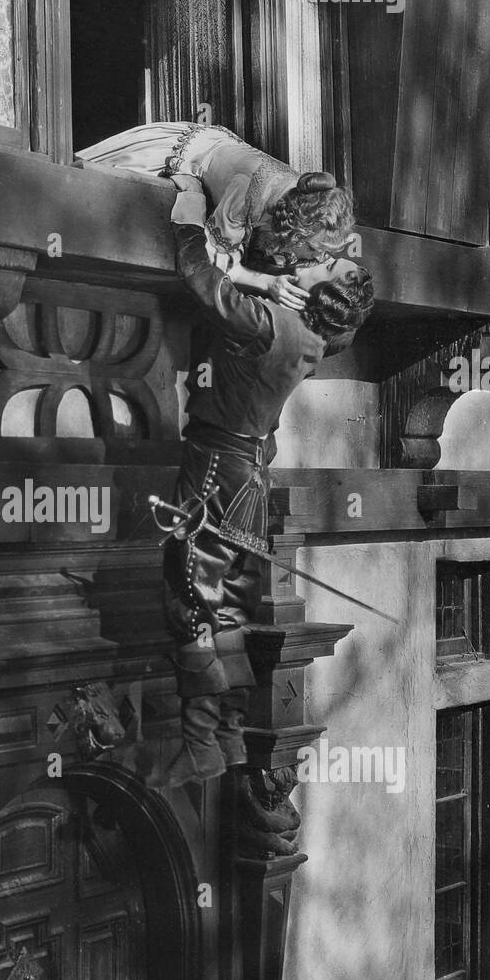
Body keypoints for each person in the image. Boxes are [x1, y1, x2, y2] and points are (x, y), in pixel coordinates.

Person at [162, 172, 374, 789]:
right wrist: (285, 280)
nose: (312, 262)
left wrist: (189, 207)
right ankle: (225, 733)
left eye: (319, 269)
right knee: (227, 601)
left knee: (190, 597)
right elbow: (347, 317)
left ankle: (198, 740)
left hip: (213, 467)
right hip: (253, 472)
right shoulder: (320, 337)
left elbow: (198, 275)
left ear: (313, 296)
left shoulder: (264, 323)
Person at [77, 120, 356, 307]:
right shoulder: (250, 194)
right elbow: (215, 262)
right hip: (175, 155)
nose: (320, 257)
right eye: (314, 248)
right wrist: (269, 283)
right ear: (296, 233)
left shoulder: (302, 196)